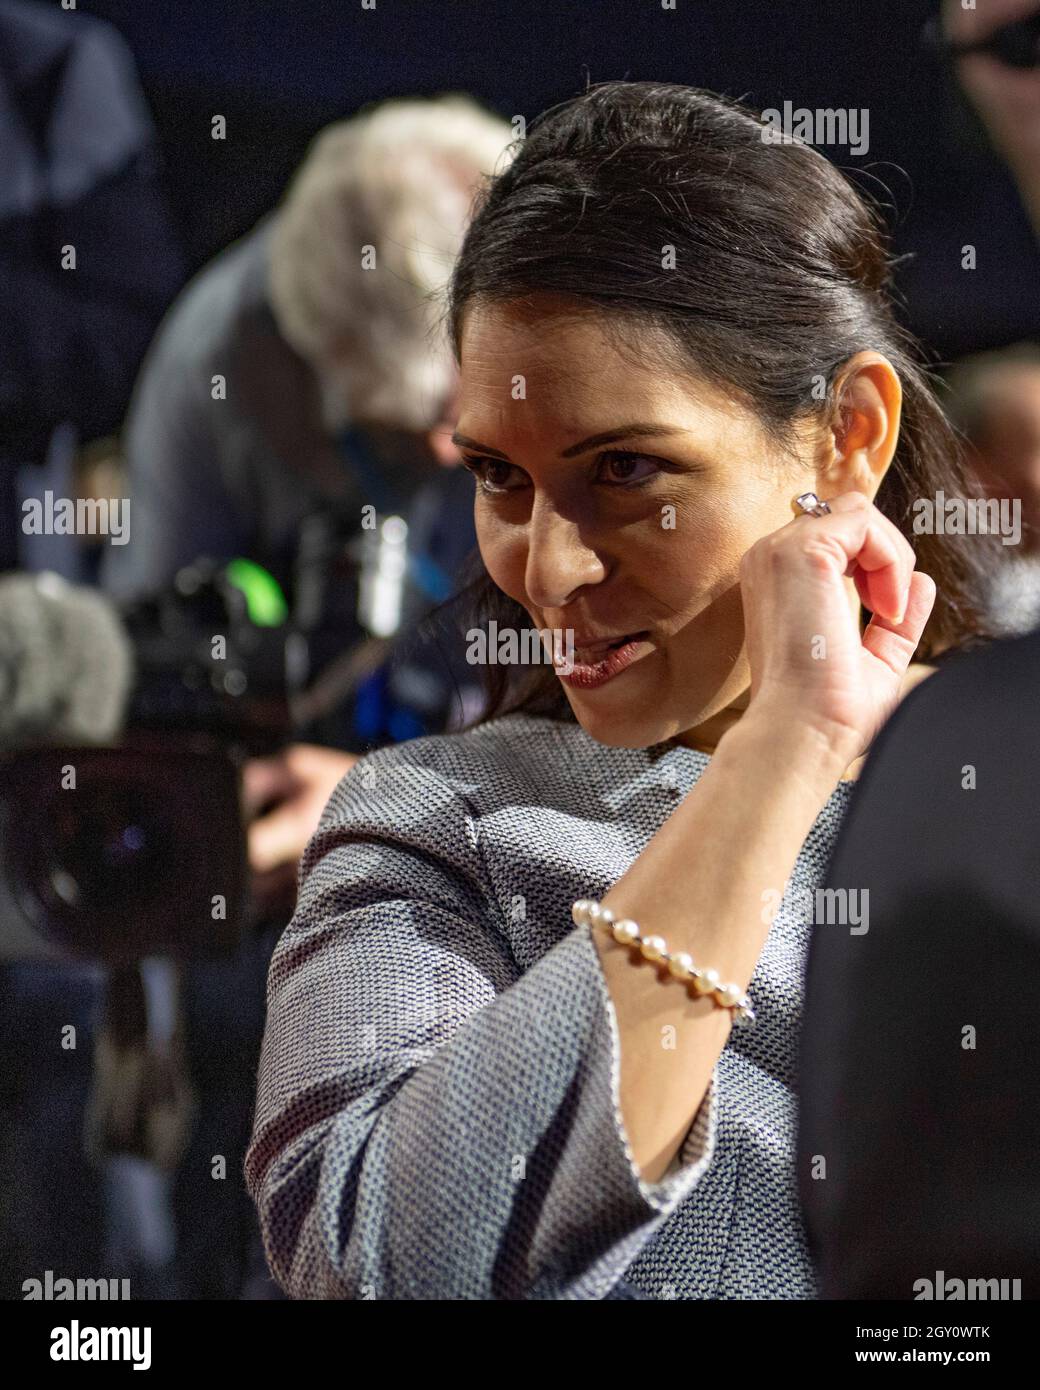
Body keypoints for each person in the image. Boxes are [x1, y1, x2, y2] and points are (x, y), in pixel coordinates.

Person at [244, 80, 1003, 1300]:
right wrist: (777, 755)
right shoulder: (436, 823)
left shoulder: (1001, 764)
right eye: (498, 477)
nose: (546, 567)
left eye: (627, 470)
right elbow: (381, 1260)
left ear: (845, 439)